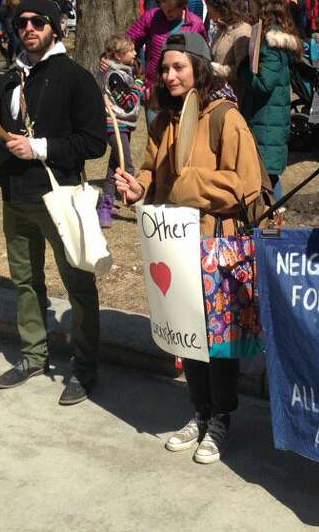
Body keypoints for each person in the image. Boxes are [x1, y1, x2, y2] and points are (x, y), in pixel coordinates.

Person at [0, 0, 108, 404]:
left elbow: (93, 143)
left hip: (61, 197)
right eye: (22, 23)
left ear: (55, 27)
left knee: (78, 283)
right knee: (25, 281)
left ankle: (85, 369)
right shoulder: (9, 78)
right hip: (15, 197)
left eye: (38, 22)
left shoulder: (76, 78)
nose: (29, 29)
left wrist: (39, 148)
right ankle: (34, 355)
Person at [115, 33, 264, 464]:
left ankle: (221, 419)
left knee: (217, 341)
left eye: (178, 66)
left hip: (215, 244)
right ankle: (199, 412)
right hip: (174, 246)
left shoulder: (224, 117)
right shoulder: (163, 120)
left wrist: (189, 185)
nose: (170, 75)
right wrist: (137, 187)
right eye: (164, 68)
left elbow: (247, 184)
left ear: (199, 67)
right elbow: (150, 169)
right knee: (188, 333)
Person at [239, 0, 299, 200]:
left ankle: (273, 224)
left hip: (266, 118)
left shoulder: (271, 41)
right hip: (268, 116)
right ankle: (271, 222)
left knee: (267, 177)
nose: (249, 6)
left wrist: (244, 70)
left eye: (253, 2)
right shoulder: (274, 35)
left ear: (263, 6)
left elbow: (264, 84)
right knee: (265, 175)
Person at [125, 0, 206, 119]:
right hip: (156, 89)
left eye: (171, 10)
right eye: (164, 8)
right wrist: (114, 57)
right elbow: (129, 41)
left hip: (183, 90)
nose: (166, 13)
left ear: (183, 7)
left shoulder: (195, 24)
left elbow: (203, 58)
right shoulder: (153, 17)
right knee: (156, 135)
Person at [95, 34, 143, 229]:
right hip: (115, 126)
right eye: (130, 50)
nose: (135, 53)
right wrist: (139, 86)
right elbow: (128, 101)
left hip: (124, 125)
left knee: (114, 165)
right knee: (126, 165)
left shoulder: (123, 72)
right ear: (119, 55)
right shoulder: (115, 76)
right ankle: (137, 207)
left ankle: (105, 205)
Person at [207, 0, 252, 94]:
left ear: (223, 11)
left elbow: (242, 71)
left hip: (235, 95)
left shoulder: (242, 32)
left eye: (211, 12)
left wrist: (217, 69)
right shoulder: (222, 28)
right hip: (220, 91)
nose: (209, 16)